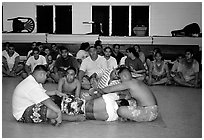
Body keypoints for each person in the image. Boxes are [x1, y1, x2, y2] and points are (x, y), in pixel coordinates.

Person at [12, 65, 85, 126]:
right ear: (41, 74)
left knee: (54, 101)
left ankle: (54, 117)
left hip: (29, 105)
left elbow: (44, 92)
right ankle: (73, 118)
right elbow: (46, 100)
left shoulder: (33, 81)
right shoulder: (32, 85)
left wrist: (56, 92)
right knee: (53, 110)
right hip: (22, 113)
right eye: (46, 75)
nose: (46, 77)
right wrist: (58, 111)